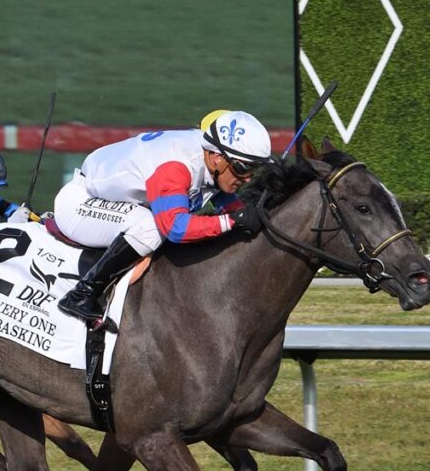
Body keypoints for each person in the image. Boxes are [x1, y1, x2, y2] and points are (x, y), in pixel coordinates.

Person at [54, 110, 272, 324]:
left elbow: (221, 196)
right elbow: (176, 228)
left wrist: (243, 212)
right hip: (80, 204)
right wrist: (232, 221)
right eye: (243, 168)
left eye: (255, 170)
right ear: (217, 158)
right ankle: (82, 294)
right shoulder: (176, 167)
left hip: (108, 198)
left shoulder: (208, 157)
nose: (247, 179)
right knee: (151, 227)